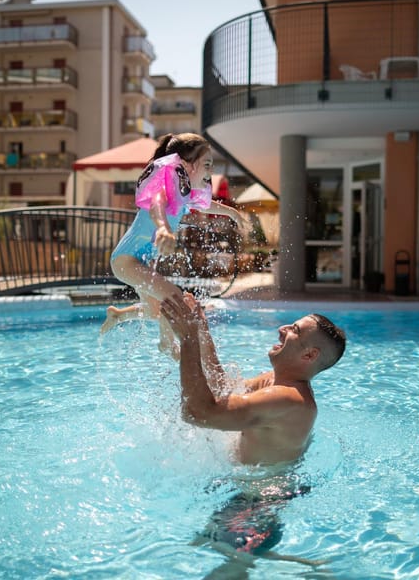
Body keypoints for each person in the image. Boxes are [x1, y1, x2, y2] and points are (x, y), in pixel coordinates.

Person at [160, 292, 345, 569]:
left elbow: (198, 414)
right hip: (248, 492)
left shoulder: (290, 400)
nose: (282, 329)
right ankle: (307, 567)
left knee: (227, 569)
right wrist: (200, 329)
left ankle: (311, 569)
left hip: (258, 505)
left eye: (294, 330)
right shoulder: (274, 382)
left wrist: (187, 339)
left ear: (309, 354)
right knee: (205, 545)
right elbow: (221, 389)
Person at [100, 133, 247, 355]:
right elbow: (156, 204)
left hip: (138, 262)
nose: (211, 171)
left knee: (156, 310)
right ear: (187, 165)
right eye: (207, 164)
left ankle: (118, 316)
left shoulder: (183, 193)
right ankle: (166, 344)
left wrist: (232, 213)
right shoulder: (166, 188)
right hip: (125, 260)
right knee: (174, 297)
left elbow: (206, 206)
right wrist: (163, 228)